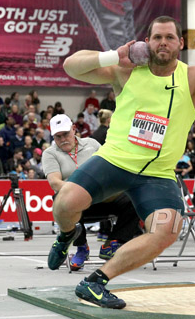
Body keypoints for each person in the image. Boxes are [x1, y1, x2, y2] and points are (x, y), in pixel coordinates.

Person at [47, 15, 195, 309]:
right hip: (114, 160)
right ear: (147, 42)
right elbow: (71, 66)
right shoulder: (126, 70)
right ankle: (67, 235)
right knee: (65, 202)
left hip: (157, 174)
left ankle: (95, 282)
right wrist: (114, 55)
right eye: (157, 37)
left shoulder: (193, 77)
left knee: (168, 230)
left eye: (169, 37)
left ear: (180, 43)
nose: (163, 43)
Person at [43, 114, 140, 270]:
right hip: (76, 202)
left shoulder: (92, 144)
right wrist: (80, 191)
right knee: (61, 199)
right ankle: (82, 248)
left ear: (74, 129)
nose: (63, 139)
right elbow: (55, 182)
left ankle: (113, 242)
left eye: (65, 134)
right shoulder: (50, 153)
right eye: (58, 136)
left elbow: (109, 168)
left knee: (133, 197)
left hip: (101, 197)